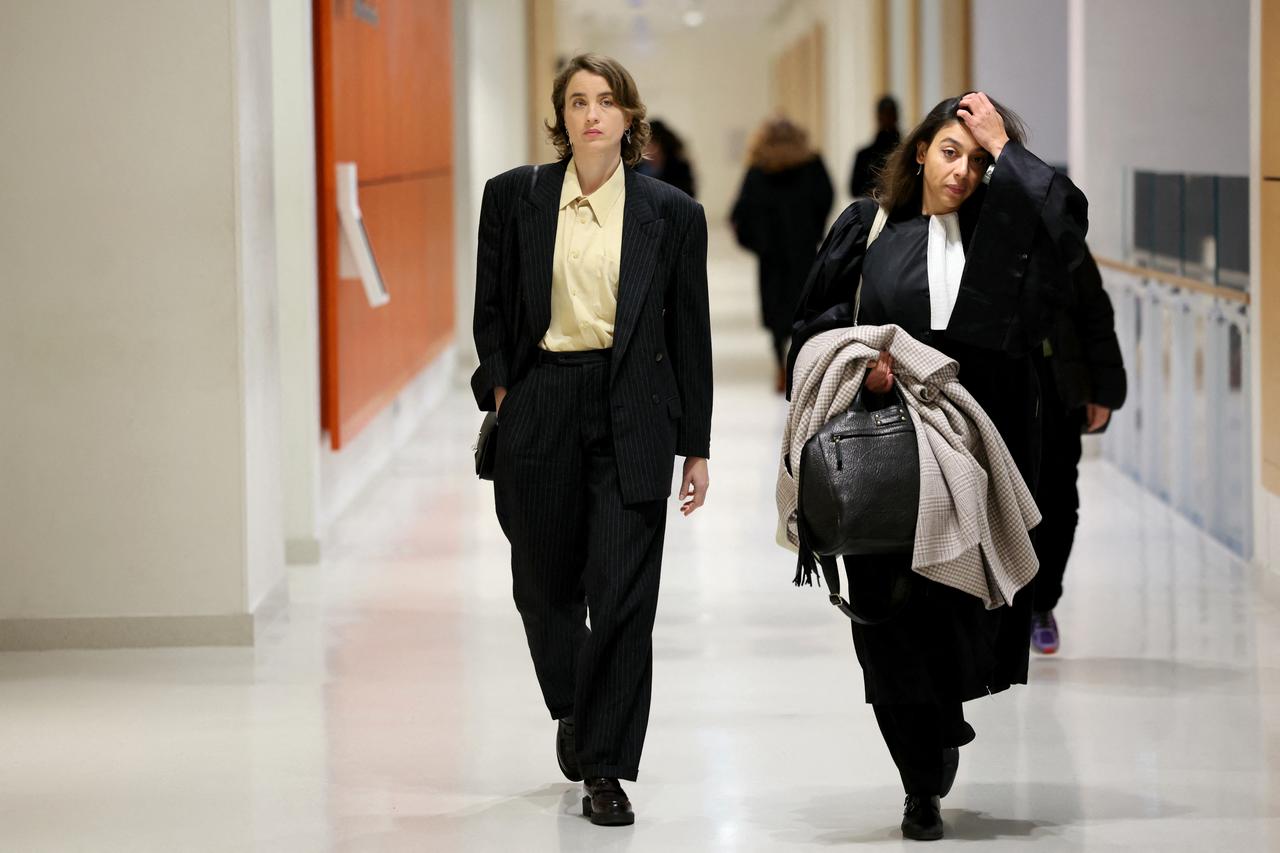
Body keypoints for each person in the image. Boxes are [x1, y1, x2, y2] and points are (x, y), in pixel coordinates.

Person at [791, 92, 1088, 841]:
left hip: (982, 456)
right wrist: (863, 367)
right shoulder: (869, 227)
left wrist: (1010, 149)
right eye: (951, 150)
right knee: (885, 616)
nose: (963, 170)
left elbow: (1070, 222)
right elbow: (813, 327)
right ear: (919, 151)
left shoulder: (1005, 233)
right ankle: (919, 780)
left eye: (981, 159)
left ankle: (939, 717)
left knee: (958, 614)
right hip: (885, 450)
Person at [470, 53, 713, 827]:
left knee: (623, 596)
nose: (592, 115)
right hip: (541, 399)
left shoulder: (671, 213)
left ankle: (606, 765)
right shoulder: (515, 197)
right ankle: (574, 704)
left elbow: (692, 336)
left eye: (606, 101)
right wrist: (507, 391)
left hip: (633, 407)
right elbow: (491, 308)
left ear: (629, 117)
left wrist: (697, 444)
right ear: (561, 117)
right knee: (541, 588)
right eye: (577, 102)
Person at [1030, 250, 1127, 653]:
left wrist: (1102, 390)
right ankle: (1000, 609)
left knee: (1056, 503)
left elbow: (1094, 313)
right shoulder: (963, 224)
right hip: (989, 391)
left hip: (1057, 388)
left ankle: (1040, 605)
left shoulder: (1056, 231)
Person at [730, 118, 834, 391]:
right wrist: (815, 230)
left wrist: (757, 243)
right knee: (804, 310)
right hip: (803, 251)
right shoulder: (811, 166)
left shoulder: (759, 170)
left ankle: (780, 366)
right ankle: (799, 365)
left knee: (777, 315)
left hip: (772, 256)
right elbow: (826, 196)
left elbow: (741, 213)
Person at [849, 95, 901, 198]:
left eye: (890, 114)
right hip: (873, 209)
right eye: (885, 114)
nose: (887, 119)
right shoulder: (864, 156)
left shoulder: (907, 153)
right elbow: (854, 189)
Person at [637, 119, 697, 198]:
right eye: (643, 144)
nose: (645, 148)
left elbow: (688, 198)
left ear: (660, 145)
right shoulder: (636, 169)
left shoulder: (679, 169)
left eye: (650, 144)